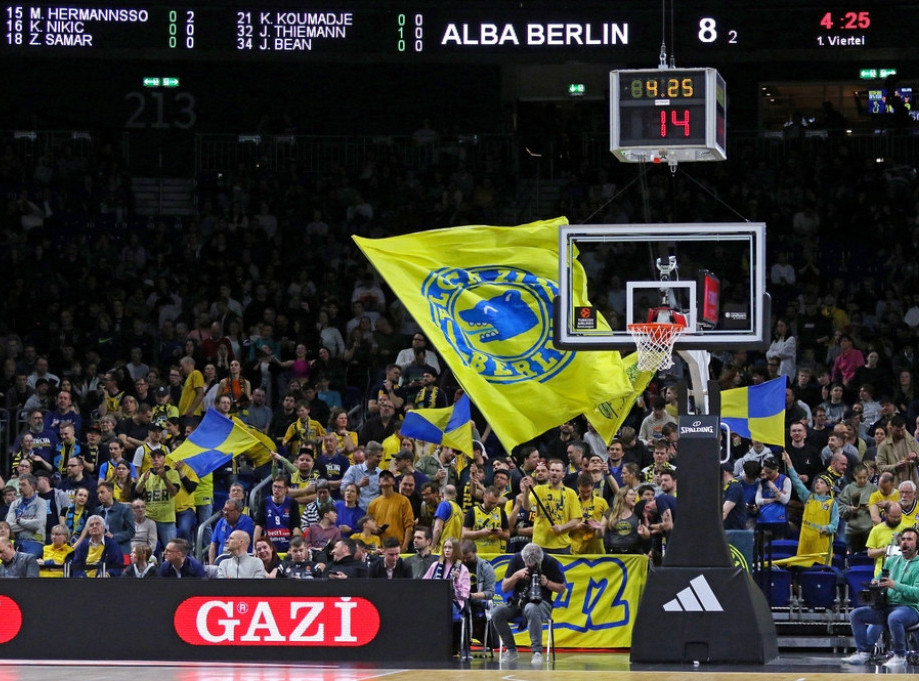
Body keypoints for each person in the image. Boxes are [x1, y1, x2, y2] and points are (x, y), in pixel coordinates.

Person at [842, 527, 919, 668]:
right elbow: (879, 578)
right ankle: (863, 652)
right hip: (887, 606)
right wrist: (875, 583)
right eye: (903, 539)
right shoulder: (892, 561)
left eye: (909, 539)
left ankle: (900, 655)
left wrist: (895, 585)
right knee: (856, 614)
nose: (905, 542)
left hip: (910, 608)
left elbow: (917, 593)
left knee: (894, 618)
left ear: (917, 544)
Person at [491, 542, 565, 666]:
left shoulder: (550, 562)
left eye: (533, 565)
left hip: (542, 603)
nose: (528, 566)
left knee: (531, 608)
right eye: (526, 563)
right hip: (518, 601)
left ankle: (537, 652)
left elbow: (562, 588)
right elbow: (504, 587)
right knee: (497, 612)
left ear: (540, 560)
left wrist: (547, 583)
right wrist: (516, 576)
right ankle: (511, 650)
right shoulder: (516, 559)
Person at [782, 452, 838, 566]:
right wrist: (789, 464)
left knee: (820, 572)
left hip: (821, 543)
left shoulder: (832, 504)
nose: (818, 484)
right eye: (817, 482)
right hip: (806, 542)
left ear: (828, 488)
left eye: (822, 483)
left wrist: (826, 528)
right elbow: (797, 482)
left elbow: (834, 525)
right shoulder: (808, 497)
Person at [423, 537, 471, 654]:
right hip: (436, 600)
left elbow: (464, 595)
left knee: (443, 611)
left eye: (450, 548)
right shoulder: (435, 565)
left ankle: (447, 645)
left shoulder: (462, 569)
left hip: (453, 602)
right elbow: (424, 584)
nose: (447, 550)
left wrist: (456, 581)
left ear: (456, 550)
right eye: (445, 547)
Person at [524, 459, 580, 554]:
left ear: (563, 474)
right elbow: (527, 507)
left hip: (562, 545)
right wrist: (526, 491)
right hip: (539, 544)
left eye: (557, 471)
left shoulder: (571, 493)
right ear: (549, 473)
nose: (554, 473)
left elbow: (576, 520)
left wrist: (562, 527)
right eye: (552, 470)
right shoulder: (538, 489)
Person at [252, 475, 301, 554]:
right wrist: (255, 548)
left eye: (279, 487)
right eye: (274, 486)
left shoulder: (292, 503)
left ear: (286, 489)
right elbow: (258, 526)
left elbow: (296, 528)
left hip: (287, 547)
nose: (276, 490)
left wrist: (295, 548)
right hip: (269, 548)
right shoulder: (264, 502)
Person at [367, 469, 414, 551]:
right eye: (382, 476)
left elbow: (409, 525)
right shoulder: (373, 504)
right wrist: (376, 529)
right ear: (379, 483)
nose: (385, 477)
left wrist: (405, 546)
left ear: (394, 482)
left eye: (389, 476)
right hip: (380, 548)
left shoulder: (404, 501)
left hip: (398, 547)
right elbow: (368, 527)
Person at [838, 463, 879, 554]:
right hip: (852, 531)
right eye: (860, 478)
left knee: (869, 557)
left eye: (865, 477)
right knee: (853, 558)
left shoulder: (874, 489)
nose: (863, 480)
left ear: (868, 475)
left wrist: (871, 508)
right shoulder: (848, 489)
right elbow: (840, 508)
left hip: (869, 530)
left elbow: (881, 507)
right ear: (854, 476)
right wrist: (850, 509)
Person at [6, 473, 46, 557]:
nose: (20, 487)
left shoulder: (41, 502)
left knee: (27, 559)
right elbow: (9, 526)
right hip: (17, 541)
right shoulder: (14, 504)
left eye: (23, 485)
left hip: (35, 542)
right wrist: (30, 523)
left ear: (32, 487)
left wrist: (19, 521)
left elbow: (39, 524)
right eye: (19, 485)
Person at [92, 480, 135, 555]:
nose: (99, 495)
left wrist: (114, 536)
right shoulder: (97, 511)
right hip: (102, 550)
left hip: (121, 550)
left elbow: (131, 532)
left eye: (102, 492)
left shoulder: (124, 509)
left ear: (111, 492)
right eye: (98, 493)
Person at [209, 498, 255, 564]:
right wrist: (211, 564)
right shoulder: (221, 522)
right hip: (221, 563)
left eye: (229, 510)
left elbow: (240, 545)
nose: (225, 513)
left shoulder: (247, 522)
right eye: (224, 510)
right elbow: (213, 544)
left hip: (241, 563)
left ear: (238, 511)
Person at [603, 487, 645, 554]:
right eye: (631, 494)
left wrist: (644, 533)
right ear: (622, 496)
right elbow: (600, 534)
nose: (634, 497)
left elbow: (646, 535)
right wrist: (598, 528)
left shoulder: (638, 512)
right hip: (614, 553)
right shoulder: (610, 512)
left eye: (635, 495)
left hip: (634, 553)